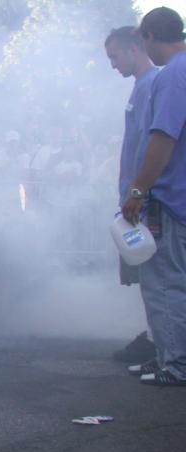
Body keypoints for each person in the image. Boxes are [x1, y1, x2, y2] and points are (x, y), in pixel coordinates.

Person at [121, 7, 186, 386]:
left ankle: (175, 364)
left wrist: (137, 190)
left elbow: (162, 138)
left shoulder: (174, 74)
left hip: (171, 199)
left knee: (164, 283)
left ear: (147, 37)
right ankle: (166, 355)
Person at [105, 25, 159, 363]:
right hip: (138, 196)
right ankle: (158, 338)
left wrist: (138, 192)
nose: (113, 65)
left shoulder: (153, 84)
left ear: (133, 49)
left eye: (115, 57)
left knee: (157, 275)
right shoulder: (142, 86)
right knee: (147, 275)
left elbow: (155, 144)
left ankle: (162, 344)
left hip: (148, 199)